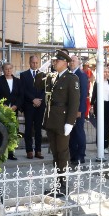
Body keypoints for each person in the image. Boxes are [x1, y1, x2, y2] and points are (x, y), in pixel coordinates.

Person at [41, 49, 80, 197]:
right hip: (52, 121)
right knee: (56, 154)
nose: (54, 63)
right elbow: (37, 83)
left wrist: (70, 122)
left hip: (63, 121)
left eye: (56, 61)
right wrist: (42, 69)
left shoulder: (72, 78)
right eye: (54, 61)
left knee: (63, 153)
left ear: (64, 62)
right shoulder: (53, 76)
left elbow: (74, 103)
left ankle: (63, 185)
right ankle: (57, 184)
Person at [0, 62, 23, 160]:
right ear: (3, 70)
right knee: (2, 129)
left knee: (13, 131)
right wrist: (3, 105)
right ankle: (1, 151)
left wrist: (16, 106)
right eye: (6, 69)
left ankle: (11, 152)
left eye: (10, 68)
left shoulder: (18, 81)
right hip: (2, 110)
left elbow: (21, 96)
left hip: (14, 110)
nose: (8, 70)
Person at [20, 55, 45, 159]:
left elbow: (45, 90)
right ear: (29, 63)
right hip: (29, 106)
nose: (35, 65)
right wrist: (32, 99)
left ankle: (38, 151)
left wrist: (39, 100)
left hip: (40, 105)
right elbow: (23, 90)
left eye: (36, 63)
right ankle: (29, 151)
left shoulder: (43, 74)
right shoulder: (24, 75)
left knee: (38, 129)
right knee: (29, 128)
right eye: (33, 63)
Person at [68, 55, 89, 166]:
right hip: (69, 109)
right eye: (70, 61)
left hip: (78, 110)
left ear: (78, 62)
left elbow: (83, 94)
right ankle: (73, 155)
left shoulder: (81, 75)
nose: (72, 62)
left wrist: (80, 110)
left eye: (74, 61)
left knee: (79, 132)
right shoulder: (68, 74)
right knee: (71, 132)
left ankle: (81, 155)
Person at [91, 68, 109, 149]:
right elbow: (94, 95)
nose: (106, 73)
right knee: (100, 125)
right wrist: (91, 106)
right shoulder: (97, 83)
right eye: (105, 72)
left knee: (107, 126)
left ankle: (105, 146)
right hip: (100, 105)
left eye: (108, 72)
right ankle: (99, 145)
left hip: (108, 106)